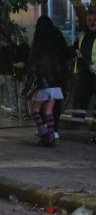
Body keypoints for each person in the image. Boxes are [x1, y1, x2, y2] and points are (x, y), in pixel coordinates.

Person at [25, 15, 72, 146]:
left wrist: (27, 90)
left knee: (35, 111)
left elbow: (33, 72)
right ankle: (51, 135)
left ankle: (44, 133)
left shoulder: (38, 52)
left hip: (43, 85)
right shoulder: (54, 50)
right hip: (55, 85)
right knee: (49, 111)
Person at [67, 8, 96, 128]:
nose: (92, 22)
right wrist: (74, 51)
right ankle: (76, 123)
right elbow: (74, 48)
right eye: (89, 20)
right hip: (83, 72)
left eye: (94, 20)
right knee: (80, 99)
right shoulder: (83, 34)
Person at [0, 31, 30, 119]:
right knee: (18, 93)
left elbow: (1, 61)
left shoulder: (6, 48)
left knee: (17, 93)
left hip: (15, 73)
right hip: (15, 73)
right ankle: (21, 112)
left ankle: (17, 112)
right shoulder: (23, 47)